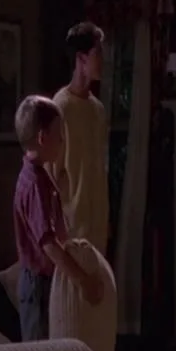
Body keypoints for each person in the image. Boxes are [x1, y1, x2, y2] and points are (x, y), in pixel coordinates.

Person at [12, 94, 104, 343]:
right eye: (59, 134)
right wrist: (83, 281)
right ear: (43, 138)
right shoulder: (34, 184)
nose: (62, 140)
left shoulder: (41, 177)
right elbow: (49, 244)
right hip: (38, 287)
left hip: (44, 283)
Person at [50, 22, 110, 254]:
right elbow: (51, 175)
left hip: (97, 229)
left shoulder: (98, 110)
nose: (103, 59)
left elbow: (99, 169)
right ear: (81, 58)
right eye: (98, 53)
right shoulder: (60, 108)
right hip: (71, 231)